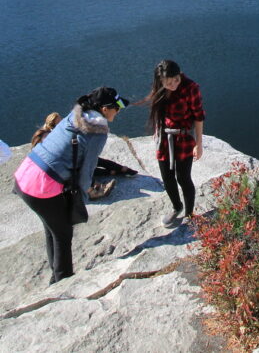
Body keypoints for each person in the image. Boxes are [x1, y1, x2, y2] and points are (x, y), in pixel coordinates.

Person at [13, 87, 128, 285]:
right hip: (42, 184)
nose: (118, 111)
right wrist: (85, 196)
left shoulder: (74, 116)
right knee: (63, 233)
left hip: (26, 173)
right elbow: (87, 169)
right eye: (116, 108)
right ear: (104, 109)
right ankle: (63, 282)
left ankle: (55, 276)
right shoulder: (98, 132)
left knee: (53, 227)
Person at [147, 59, 205, 227]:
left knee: (183, 177)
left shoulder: (190, 88)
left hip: (183, 138)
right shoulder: (160, 89)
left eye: (176, 80)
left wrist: (199, 143)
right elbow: (158, 112)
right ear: (161, 81)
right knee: (167, 177)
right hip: (165, 139)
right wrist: (157, 132)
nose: (174, 85)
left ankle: (189, 213)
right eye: (168, 82)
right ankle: (176, 206)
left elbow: (199, 116)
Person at [31, 112, 137, 200]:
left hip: (65, 163)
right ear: (52, 126)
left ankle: (119, 170)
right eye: (59, 122)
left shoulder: (53, 135)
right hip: (60, 170)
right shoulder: (46, 137)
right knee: (84, 168)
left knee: (93, 162)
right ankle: (96, 189)